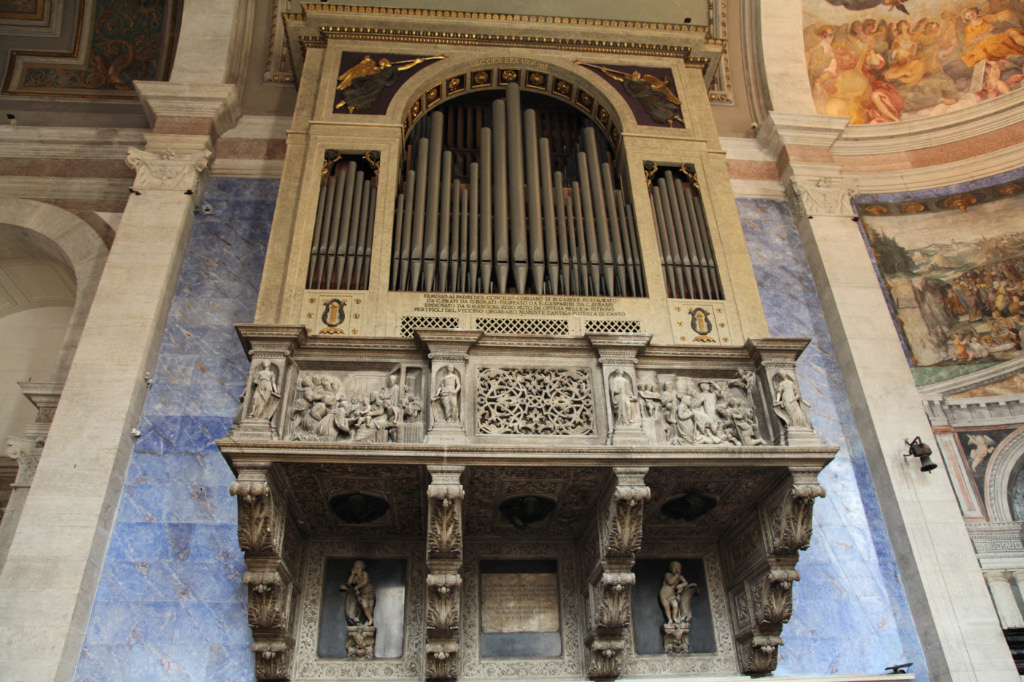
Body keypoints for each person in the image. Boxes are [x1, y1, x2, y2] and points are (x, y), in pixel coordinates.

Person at [336, 55, 444, 112]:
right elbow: (367, 71)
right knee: (363, 91)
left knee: (369, 96)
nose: (387, 61)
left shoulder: (393, 69)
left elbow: (405, 67)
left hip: (379, 84)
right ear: (382, 63)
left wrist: (415, 62)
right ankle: (345, 101)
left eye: (386, 60)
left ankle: (352, 104)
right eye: (385, 61)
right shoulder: (378, 70)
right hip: (373, 81)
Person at [340, 560, 376, 626]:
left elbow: (365, 582)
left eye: (358, 568)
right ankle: (370, 619)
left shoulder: (364, 574)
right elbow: (349, 582)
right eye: (355, 568)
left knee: (370, 608)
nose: (356, 569)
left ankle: (369, 620)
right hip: (362, 595)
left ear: (362, 568)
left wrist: (357, 587)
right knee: (364, 606)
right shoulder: (355, 578)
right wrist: (352, 574)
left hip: (369, 593)